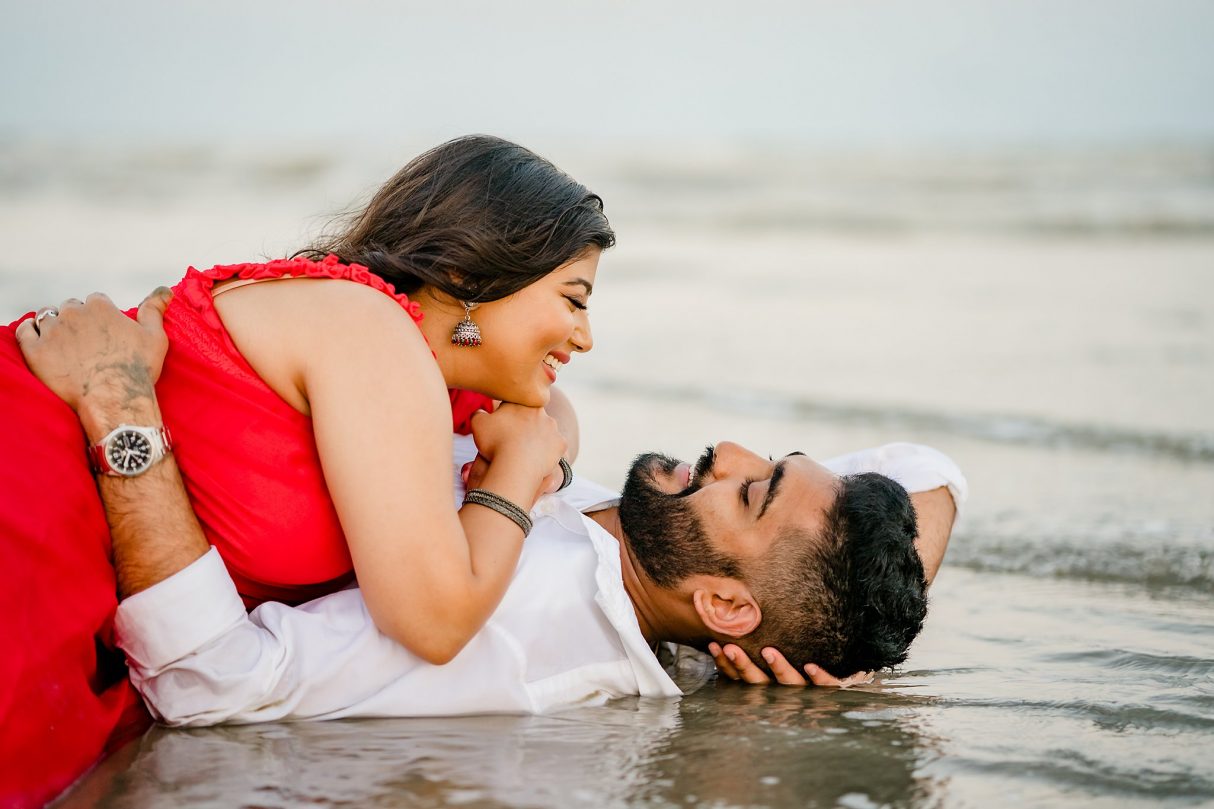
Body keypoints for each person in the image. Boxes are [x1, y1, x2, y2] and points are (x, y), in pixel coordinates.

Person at [0, 135, 611, 807]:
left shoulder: (425, 366)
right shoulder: (372, 333)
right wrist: (515, 474)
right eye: (573, 300)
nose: (584, 335)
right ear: (471, 278)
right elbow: (436, 621)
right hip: (32, 493)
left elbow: (553, 412)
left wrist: (544, 443)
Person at [18, 292, 966, 724]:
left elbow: (212, 683)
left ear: (725, 605)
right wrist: (838, 636)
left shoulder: (523, 638)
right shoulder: (662, 556)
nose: (729, 452)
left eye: (752, 490)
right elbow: (929, 468)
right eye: (773, 456)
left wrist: (120, 410)